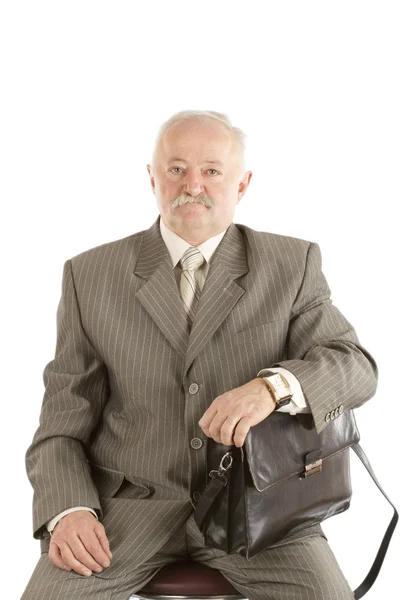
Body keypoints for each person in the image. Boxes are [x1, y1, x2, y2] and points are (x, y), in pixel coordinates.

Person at [22, 110, 378, 600]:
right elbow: (61, 426)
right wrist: (69, 510)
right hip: (123, 515)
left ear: (242, 183)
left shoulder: (291, 264)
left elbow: (354, 366)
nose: (193, 184)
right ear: (152, 178)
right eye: (176, 169)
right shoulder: (90, 276)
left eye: (211, 170)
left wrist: (272, 388)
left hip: (261, 511)